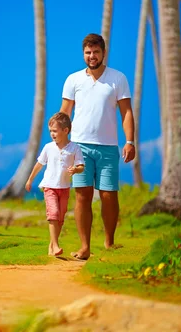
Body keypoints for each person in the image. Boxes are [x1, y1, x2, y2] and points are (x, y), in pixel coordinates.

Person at [60, 33, 135, 261]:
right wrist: (61, 142)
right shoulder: (73, 79)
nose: (92, 56)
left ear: (103, 53)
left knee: (109, 195)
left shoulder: (117, 78)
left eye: (96, 52)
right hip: (80, 146)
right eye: (88, 53)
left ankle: (109, 242)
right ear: (84, 54)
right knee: (82, 195)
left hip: (108, 147)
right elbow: (65, 112)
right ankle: (84, 247)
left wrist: (130, 141)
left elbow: (126, 112)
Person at [25, 112, 85, 257]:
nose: (52, 134)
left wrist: (76, 169)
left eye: (55, 131)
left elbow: (81, 166)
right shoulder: (48, 147)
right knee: (53, 214)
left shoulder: (74, 148)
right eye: (50, 131)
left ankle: (52, 245)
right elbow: (39, 164)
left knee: (61, 217)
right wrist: (30, 179)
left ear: (66, 131)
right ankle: (56, 245)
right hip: (50, 186)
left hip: (64, 188)